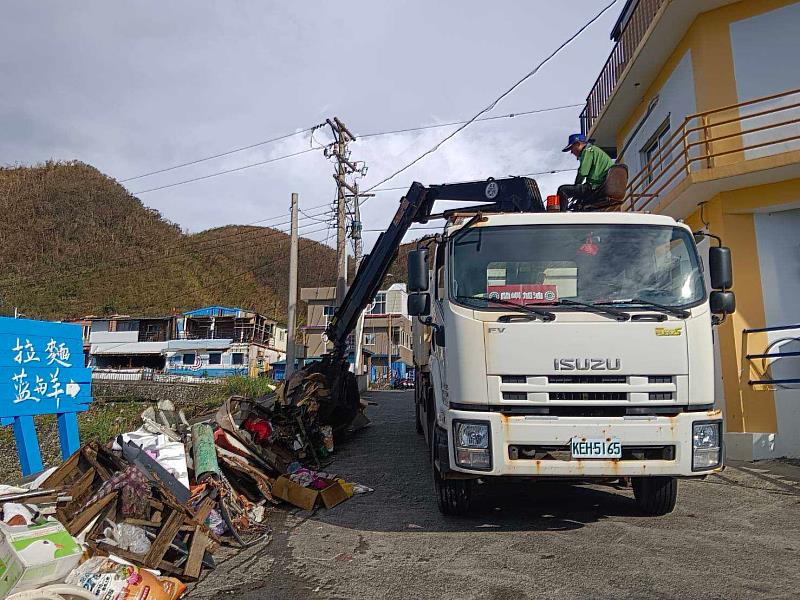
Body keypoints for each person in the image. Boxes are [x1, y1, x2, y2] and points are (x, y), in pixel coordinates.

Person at [557, 133, 614, 211]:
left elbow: (583, 172)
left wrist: (576, 186)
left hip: (595, 187)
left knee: (563, 190)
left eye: (571, 148)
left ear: (578, 144)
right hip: (601, 186)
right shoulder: (594, 150)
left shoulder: (588, 150)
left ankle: (561, 216)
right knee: (577, 204)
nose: (571, 152)